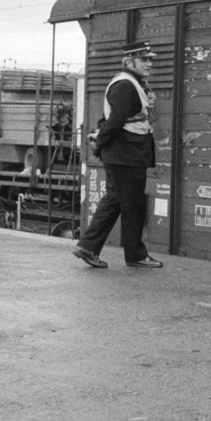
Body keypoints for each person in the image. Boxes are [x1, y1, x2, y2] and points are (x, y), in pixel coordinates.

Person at [73, 41, 163, 269]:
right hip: (126, 154)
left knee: (118, 201)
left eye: (150, 59)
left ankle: (90, 247)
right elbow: (115, 121)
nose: (149, 63)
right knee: (131, 204)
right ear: (129, 61)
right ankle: (134, 255)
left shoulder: (133, 83)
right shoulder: (125, 85)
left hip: (127, 153)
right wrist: (100, 143)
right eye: (144, 59)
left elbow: (114, 118)